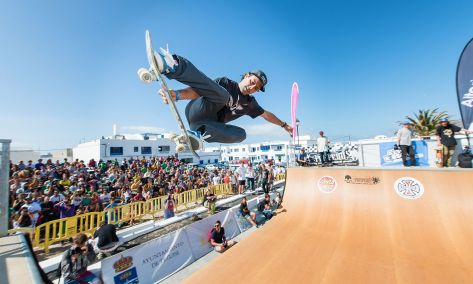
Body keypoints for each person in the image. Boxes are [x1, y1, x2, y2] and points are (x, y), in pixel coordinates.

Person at [153, 45, 293, 149]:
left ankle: (196, 135)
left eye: (255, 88)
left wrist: (284, 125)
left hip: (207, 126)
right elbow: (199, 91)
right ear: (246, 76)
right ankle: (173, 65)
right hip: (197, 109)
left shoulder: (250, 103)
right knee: (224, 95)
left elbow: (266, 115)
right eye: (252, 82)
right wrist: (177, 95)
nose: (252, 88)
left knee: (242, 135)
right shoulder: (226, 83)